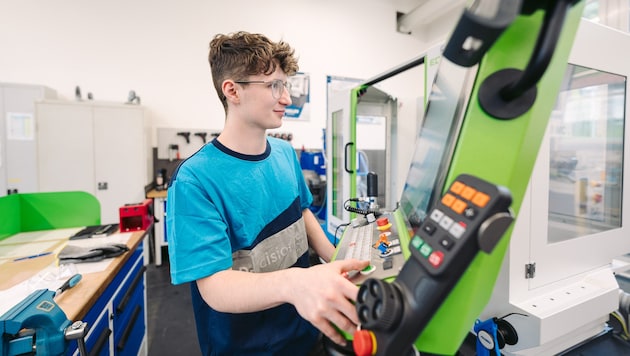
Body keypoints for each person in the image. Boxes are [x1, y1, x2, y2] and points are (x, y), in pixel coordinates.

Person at [166, 31, 369, 355]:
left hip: (307, 326)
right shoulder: (195, 181)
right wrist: (295, 283)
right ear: (232, 90)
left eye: (285, 85)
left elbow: (301, 213)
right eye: (274, 85)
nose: (286, 97)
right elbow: (215, 287)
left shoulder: (285, 153)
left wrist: (338, 260)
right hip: (247, 346)